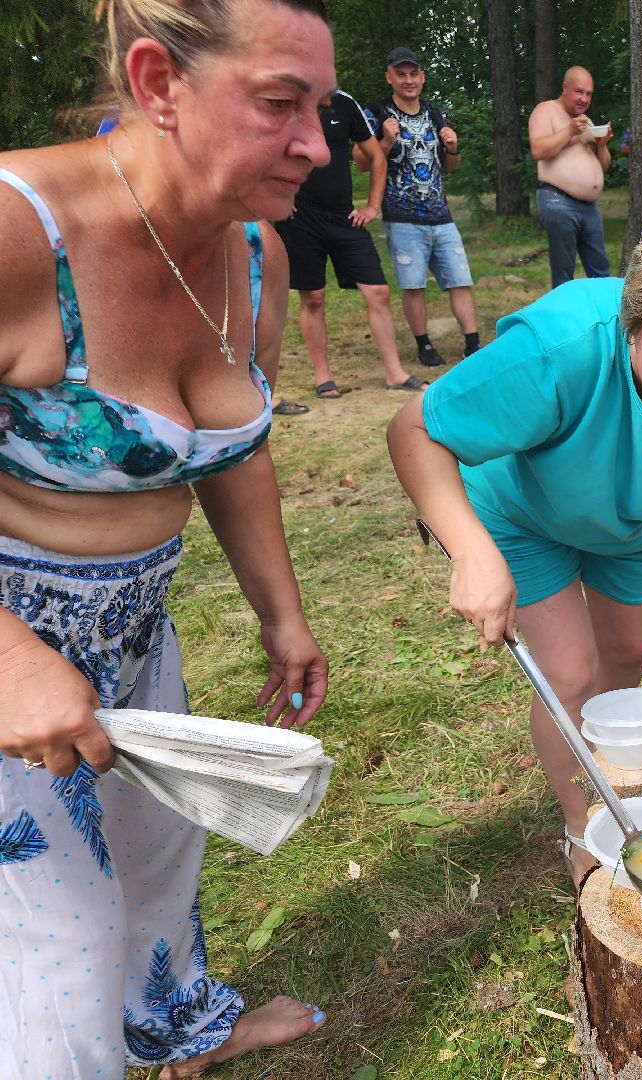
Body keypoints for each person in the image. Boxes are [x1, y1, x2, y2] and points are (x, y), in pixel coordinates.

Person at [0, 1, 332, 1076]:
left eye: (320, 109)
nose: (317, 144)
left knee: (157, 856)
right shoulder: (18, 230)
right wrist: (8, 660)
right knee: (59, 962)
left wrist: (281, 615)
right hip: (14, 651)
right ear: (158, 81)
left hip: (138, 630)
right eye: (280, 103)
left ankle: (179, 1023)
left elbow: (232, 450)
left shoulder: (251, 251)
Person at [387, 197, 642, 895]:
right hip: (522, 517)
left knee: (625, 656)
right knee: (574, 673)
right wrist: (469, 549)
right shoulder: (561, 347)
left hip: (627, 524)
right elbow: (414, 430)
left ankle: (611, 785)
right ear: (635, 322)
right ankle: (583, 822)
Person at [273, 89, 425, 397]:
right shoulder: (283, 100)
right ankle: (323, 377)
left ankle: (395, 373)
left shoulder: (343, 102)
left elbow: (376, 157)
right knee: (313, 297)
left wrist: (372, 206)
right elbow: (265, 153)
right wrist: (278, 200)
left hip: (345, 217)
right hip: (299, 216)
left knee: (378, 291)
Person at [364, 48, 480, 369]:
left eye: (413, 73)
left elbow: (450, 166)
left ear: (422, 76)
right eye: (400, 74)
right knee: (413, 285)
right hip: (402, 217)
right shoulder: (377, 113)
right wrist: (386, 142)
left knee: (460, 279)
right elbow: (361, 161)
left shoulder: (435, 114)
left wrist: (454, 148)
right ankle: (423, 344)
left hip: (441, 215)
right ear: (390, 77)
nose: (408, 80)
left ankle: (473, 342)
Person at [528, 66, 613, 290]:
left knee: (600, 270)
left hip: (589, 207)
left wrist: (602, 145)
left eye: (588, 94)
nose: (583, 99)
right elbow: (538, 150)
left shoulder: (587, 122)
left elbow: (603, 166)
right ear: (565, 88)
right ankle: (562, 321)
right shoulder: (545, 110)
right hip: (558, 200)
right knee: (564, 272)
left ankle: (605, 320)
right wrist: (569, 131)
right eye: (579, 92)